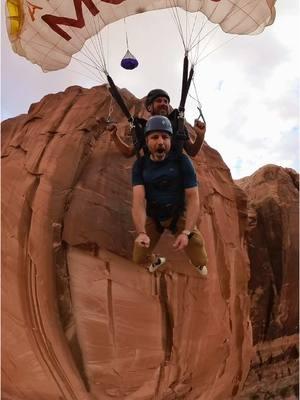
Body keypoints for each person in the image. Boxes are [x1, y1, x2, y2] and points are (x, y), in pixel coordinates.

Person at [131, 115, 208, 275]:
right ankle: (156, 260)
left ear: (171, 141)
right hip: (154, 218)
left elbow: (193, 198)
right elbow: (138, 201)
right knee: (138, 257)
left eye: (165, 137)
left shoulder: (182, 161)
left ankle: (197, 263)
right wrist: (141, 233)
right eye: (155, 137)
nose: (160, 141)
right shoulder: (140, 165)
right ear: (146, 141)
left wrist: (186, 232)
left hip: (178, 216)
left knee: (200, 257)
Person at [111, 89, 206, 158]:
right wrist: (114, 136)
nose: (164, 103)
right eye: (159, 101)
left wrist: (200, 136)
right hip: (153, 177)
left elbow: (192, 151)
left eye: (166, 101)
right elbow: (129, 152)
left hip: (176, 178)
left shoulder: (177, 124)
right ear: (149, 107)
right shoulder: (144, 127)